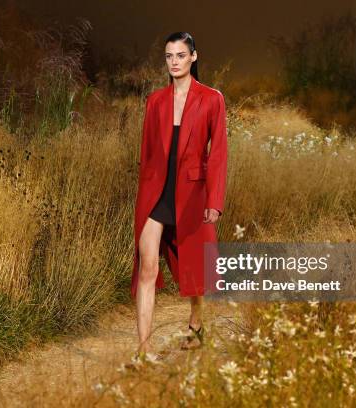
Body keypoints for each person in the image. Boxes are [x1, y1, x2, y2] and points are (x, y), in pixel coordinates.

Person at [130, 32, 228, 358]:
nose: (174, 62)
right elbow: (147, 154)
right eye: (169, 56)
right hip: (156, 195)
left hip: (193, 195)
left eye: (181, 55)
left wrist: (214, 201)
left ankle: (196, 323)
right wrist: (143, 196)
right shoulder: (155, 100)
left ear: (194, 57)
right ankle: (144, 349)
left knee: (194, 268)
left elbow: (218, 155)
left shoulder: (212, 98)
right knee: (147, 268)